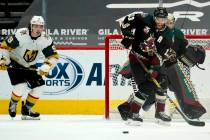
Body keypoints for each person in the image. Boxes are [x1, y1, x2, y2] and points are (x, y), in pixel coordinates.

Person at [118, 7, 174, 123]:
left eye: (163, 20)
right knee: (146, 87)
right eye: (158, 19)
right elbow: (127, 21)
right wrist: (127, 36)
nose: (160, 22)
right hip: (137, 59)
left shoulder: (167, 33)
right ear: (154, 17)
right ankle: (133, 113)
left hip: (153, 61)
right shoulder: (144, 19)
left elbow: (161, 54)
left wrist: (154, 69)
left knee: (162, 82)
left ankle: (160, 113)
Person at [0, 15, 59, 120]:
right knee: (21, 86)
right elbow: (5, 46)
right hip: (15, 62)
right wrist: (5, 59)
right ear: (30, 26)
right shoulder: (21, 34)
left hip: (30, 65)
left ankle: (27, 109)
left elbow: (53, 56)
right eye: (35, 26)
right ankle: (13, 105)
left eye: (40, 26)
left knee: (39, 87)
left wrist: (46, 66)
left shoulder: (46, 39)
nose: (38, 29)